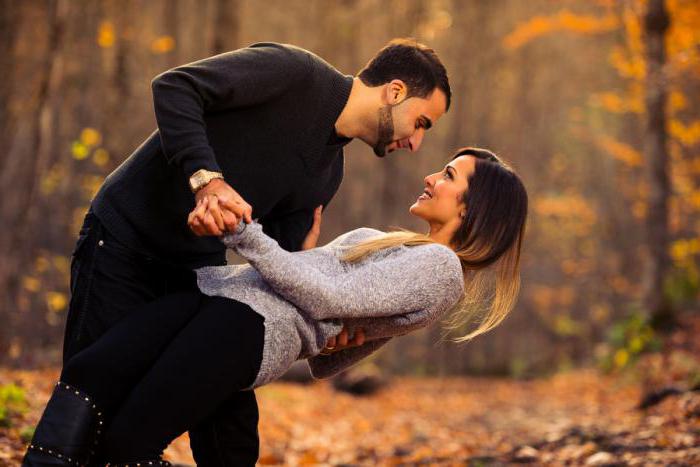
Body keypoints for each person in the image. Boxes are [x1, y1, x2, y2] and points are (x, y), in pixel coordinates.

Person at [59, 39, 451, 465]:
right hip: (124, 242)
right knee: (91, 403)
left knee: (230, 421)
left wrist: (331, 323)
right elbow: (175, 86)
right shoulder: (294, 73)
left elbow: (272, 269)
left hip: (198, 275)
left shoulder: (327, 174)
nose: (416, 142)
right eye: (422, 122)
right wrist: (205, 180)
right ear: (395, 92)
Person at [24, 148, 528, 467]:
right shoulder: (411, 249)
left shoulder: (440, 267)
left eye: (448, 175)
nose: (431, 176)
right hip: (223, 298)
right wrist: (312, 277)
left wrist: (245, 233)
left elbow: (329, 301)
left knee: (130, 441)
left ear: (472, 208)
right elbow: (331, 347)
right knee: (92, 370)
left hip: (247, 326)